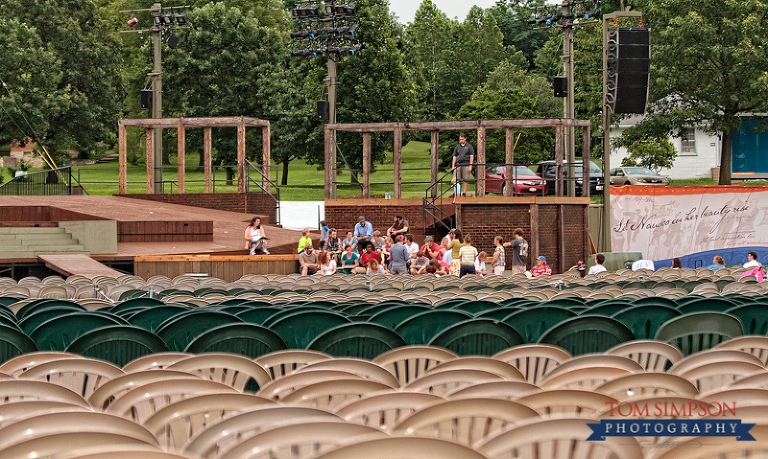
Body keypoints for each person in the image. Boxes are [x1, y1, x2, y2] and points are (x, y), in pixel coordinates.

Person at [452, 133, 475, 198]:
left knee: (465, 179)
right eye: (460, 139)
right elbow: (454, 156)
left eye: (462, 139)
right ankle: (456, 192)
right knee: (455, 179)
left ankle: (464, 193)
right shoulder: (457, 147)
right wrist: (453, 166)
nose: (461, 140)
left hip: (466, 164)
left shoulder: (469, 146)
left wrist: (470, 165)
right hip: (458, 164)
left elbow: (471, 156)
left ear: (465, 139)